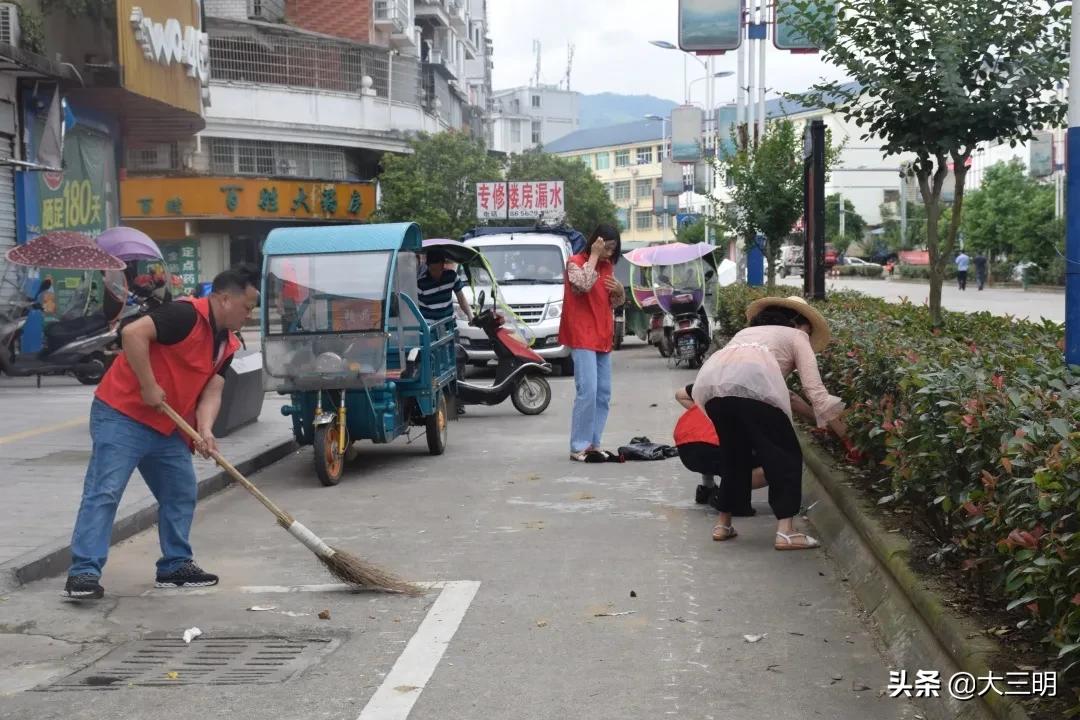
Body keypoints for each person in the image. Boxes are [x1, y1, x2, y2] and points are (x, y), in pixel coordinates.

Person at [63, 266, 260, 600]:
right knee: (105, 490)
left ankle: (174, 566)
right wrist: (148, 385)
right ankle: (83, 572)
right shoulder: (183, 315)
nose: (249, 314)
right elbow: (133, 334)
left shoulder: (227, 343)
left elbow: (213, 389)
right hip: (122, 414)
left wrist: (205, 429)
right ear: (226, 299)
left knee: (180, 490)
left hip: (167, 426)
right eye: (247, 306)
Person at [692, 296, 848, 550]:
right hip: (755, 389)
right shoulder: (797, 336)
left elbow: (785, 393)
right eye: (808, 329)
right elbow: (814, 390)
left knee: (734, 456)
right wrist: (845, 434)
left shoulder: (747, 333)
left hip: (713, 388)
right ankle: (786, 531)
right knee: (784, 455)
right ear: (798, 322)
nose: (808, 335)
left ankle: (723, 524)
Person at [560, 224, 625, 461]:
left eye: (612, 249)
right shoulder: (575, 262)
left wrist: (620, 291)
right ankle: (579, 445)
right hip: (582, 335)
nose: (609, 253)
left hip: (602, 334)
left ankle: (593, 443)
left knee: (603, 393)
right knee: (587, 390)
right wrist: (595, 256)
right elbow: (583, 285)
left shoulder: (608, 267)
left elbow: (613, 303)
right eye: (606, 247)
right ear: (596, 242)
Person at [417, 248, 472, 325]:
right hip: (430, 327)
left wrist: (470, 315)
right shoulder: (420, 283)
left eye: (439, 269)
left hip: (449, 324)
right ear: (427, 266)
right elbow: (415, 306)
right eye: (433, 269)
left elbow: (461, 299)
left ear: (443, 265)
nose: (436, 273)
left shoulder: (451, 276)